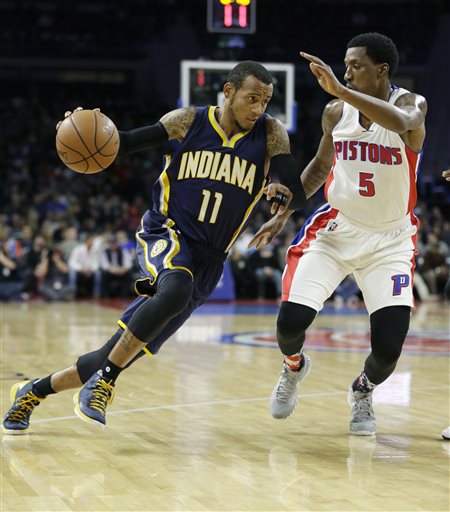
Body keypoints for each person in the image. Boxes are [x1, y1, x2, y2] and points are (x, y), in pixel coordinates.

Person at [3, 61, 312, 433]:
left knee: (116, 352)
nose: (258, 108)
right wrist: (85, 130)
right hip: (167, 231)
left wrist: (282, 193)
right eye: (251, 99)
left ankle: (32, 391)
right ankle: (103, 383)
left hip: (211, 260)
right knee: (174, 289)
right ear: (228, 92)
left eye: (265, 101)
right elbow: (125, 143)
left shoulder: (271, 133)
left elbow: (294, 184)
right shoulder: (189, 121)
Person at [250, 33, 427, 435]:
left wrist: (342, 88)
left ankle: (362, 391)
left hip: (390, 241)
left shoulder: (411, 105)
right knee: (289, 324)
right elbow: (318, 167)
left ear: (381, 71)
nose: (345, 72)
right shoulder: (335, 112)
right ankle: (294, 367)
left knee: (387, 351)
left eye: (355, 66)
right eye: (344, 65)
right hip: (337, 229)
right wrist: (285, 212)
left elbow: (400, 124)